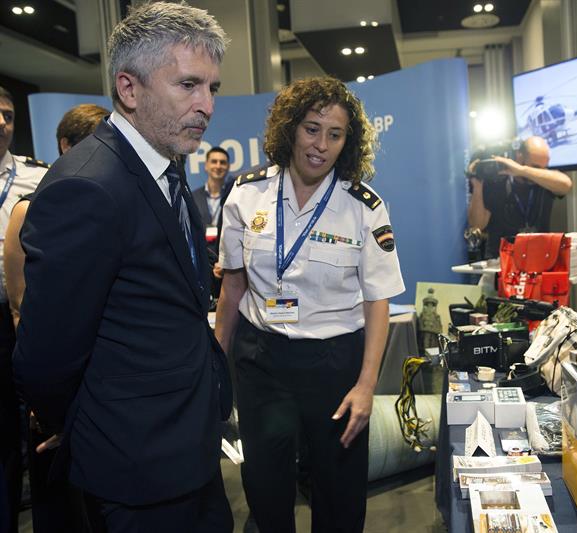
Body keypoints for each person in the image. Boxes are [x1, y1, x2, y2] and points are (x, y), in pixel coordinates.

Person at [12, 3, 233, 532]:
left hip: (187, 450)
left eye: (212, 88)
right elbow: (46, 356)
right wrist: (87, 423)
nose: (206, 106)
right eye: (187, 85)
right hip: (135, 472)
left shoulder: (166, 164)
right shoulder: (87, 186)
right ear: (129, 89)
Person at [215, 76, 404, 533]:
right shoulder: (246, 194)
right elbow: (233, 288)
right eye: (311, 129)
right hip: (262, 362)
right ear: (290, 130)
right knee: (265, 489)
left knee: (339, 496)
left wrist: (366, 385)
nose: (320, 145)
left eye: (334, 134)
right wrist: (214, 365)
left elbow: (378, 302)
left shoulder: (364, 206)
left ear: (347, 142)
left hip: (333, 364)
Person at [3, 102, 108, 533]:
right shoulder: (27, 211)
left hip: (104, 376)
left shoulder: (109, 206)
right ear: (66, 146)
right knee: (59, 500)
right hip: (55, 381)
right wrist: (50, 398)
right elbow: (20, 309)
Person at [0, 85, 50, 533]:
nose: (2, 122)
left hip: (16, 314)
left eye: (9, 115)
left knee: (17, 424)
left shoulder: (38, 178)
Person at [467, 135, 573, 258]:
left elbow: (566, 184)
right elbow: (477, 224)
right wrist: (477, 186)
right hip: (501, 261)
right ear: (519, 156)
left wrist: (522, 170)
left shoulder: (543, 179)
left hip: (538, 258)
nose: (539, 171)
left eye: (544, 167)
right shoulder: (498, 180)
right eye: (535, 167)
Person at [192, 146, 230, 228]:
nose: (218, 166)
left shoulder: (234, 195)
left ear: (228, 167)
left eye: (222, 162)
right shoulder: (193, 197)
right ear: (206, 165)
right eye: (214, 161)